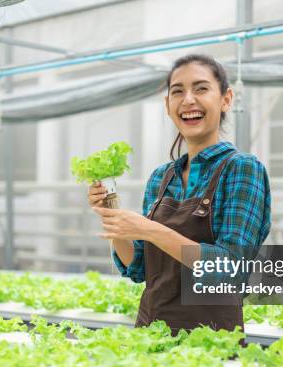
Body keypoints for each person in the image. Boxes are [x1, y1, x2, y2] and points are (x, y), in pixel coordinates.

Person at [88, 54, 271, 336]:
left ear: (226, 99)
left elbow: (232, 271)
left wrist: (149, 229)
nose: (188, 100)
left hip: (210, 341)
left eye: (201, 89)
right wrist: (113, 217)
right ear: (167, 105)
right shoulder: (162, 178)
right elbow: (139, 268)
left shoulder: (242, 169)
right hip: (150, 333)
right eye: (177, 92)